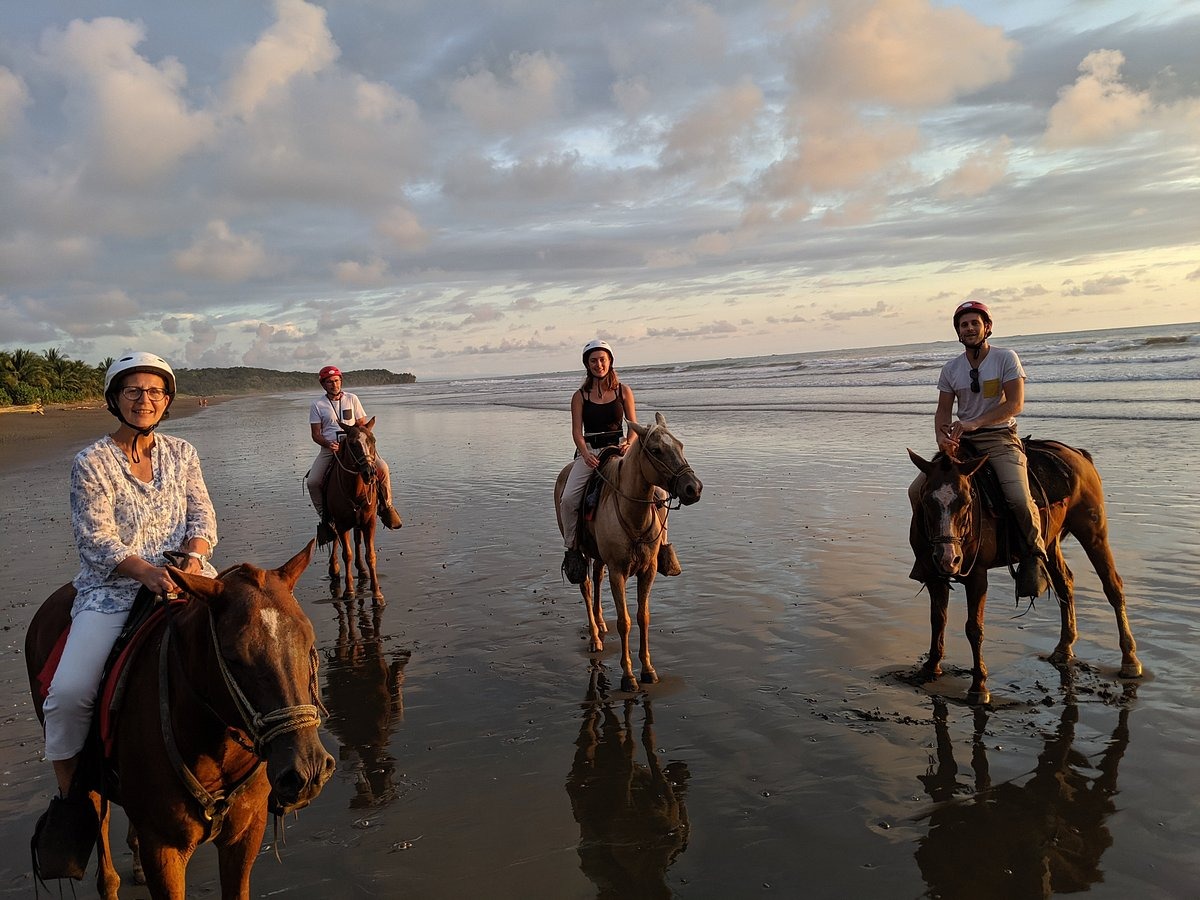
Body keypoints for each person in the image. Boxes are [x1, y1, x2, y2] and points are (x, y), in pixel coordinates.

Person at [43, 351, 219, 798]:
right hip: (114, 591)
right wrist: (147, 573)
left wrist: (194, 562)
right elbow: (96, 539)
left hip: (189, 579)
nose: (145, 399)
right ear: (115, 399)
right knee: (68, 695)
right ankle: (71, 804)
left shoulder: (184, 453)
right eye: (133, 391)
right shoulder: (91, 462)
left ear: (167, 400)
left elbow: (202, 519)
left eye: (155, 391)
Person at [931, 300, 1049, 598]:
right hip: (962, 442)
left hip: (999, 439)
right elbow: (944, 411)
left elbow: (1015, 404)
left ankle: (1036, 556)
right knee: (919, 490)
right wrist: (942, 439)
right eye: (963, 324)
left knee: (1019, 498)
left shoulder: (1006, 358)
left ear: (987, 327)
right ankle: (927, 558)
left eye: (974, 323)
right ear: (958, 331)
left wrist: (975, 423)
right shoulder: (951, 368)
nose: (968, 328)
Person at [559, 339, 680, 584]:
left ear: (610, 361)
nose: (598, 364)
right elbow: (576, 433)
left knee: (658, 493)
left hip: (620, 449)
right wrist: (584, 453)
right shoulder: (579, 396)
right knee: (569, 498)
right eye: (593, 361)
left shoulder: (623, 391)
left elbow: (632, 425)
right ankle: (572, 549)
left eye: (602, 359)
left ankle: (663, 547)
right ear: (587, 364)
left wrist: (629, 442)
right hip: (592, 452)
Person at [307, 365, 403, 540]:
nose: (333, 384)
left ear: (340, 381)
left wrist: (359, 440)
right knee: (313, 482)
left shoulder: (352, 399)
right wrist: (328, 444)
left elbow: (362, 425)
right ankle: (326, 519)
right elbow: (315, 434)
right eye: (329, 382)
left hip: (356, 447)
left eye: (336, 381)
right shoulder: (317, 405)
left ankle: (386, 507)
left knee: (383, 468)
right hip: (331, 448)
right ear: (323, 385)